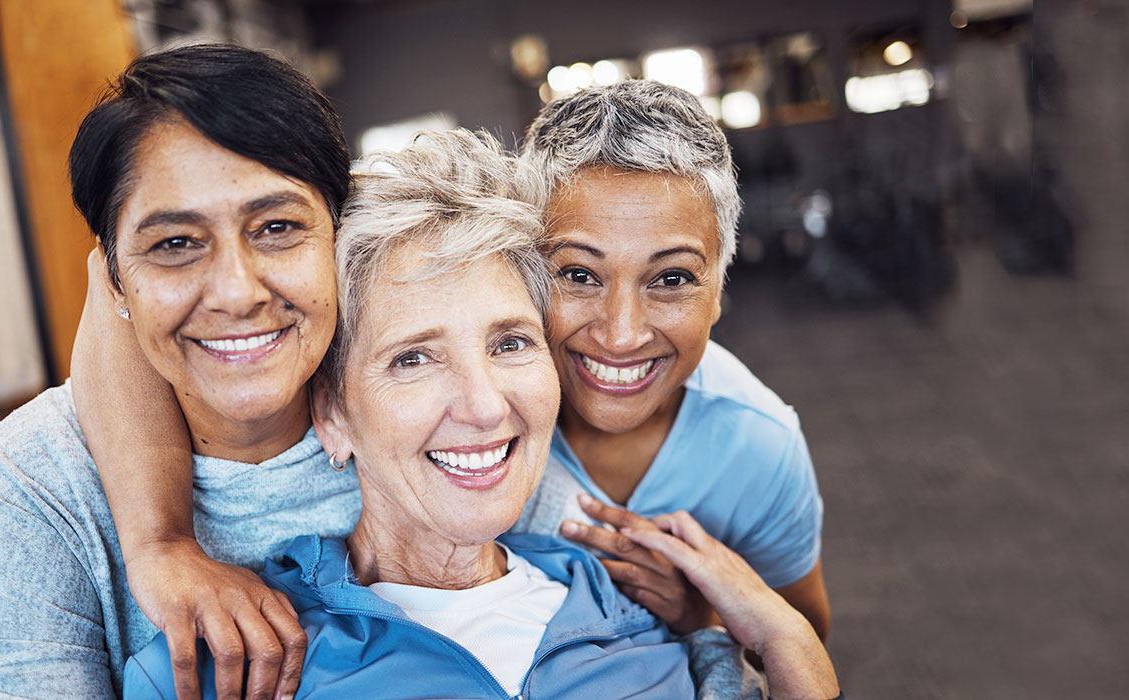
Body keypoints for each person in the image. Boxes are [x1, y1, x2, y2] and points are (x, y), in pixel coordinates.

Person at [70, 80, 828, 689]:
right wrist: (158, 542)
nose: (621, 332)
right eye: (411, 358)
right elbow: (130, 289)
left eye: (509, 342)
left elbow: (793, 637)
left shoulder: (631, 585)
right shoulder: (224, 665)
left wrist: (743, 626)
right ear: (325, 410)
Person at [0, 44, 358, 699]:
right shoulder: (37, 478)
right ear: (112, 279)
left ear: (341, 239)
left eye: (278, 227)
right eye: (175, 244)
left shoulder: (448, 418)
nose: (237, 292)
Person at [511, 80, 829, 639]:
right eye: (579, 275)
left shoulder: (758, 445)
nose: (622, 334)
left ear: (718, 292)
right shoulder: (471, 419)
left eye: (671, 278)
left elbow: (804, 639)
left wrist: (702, 616)